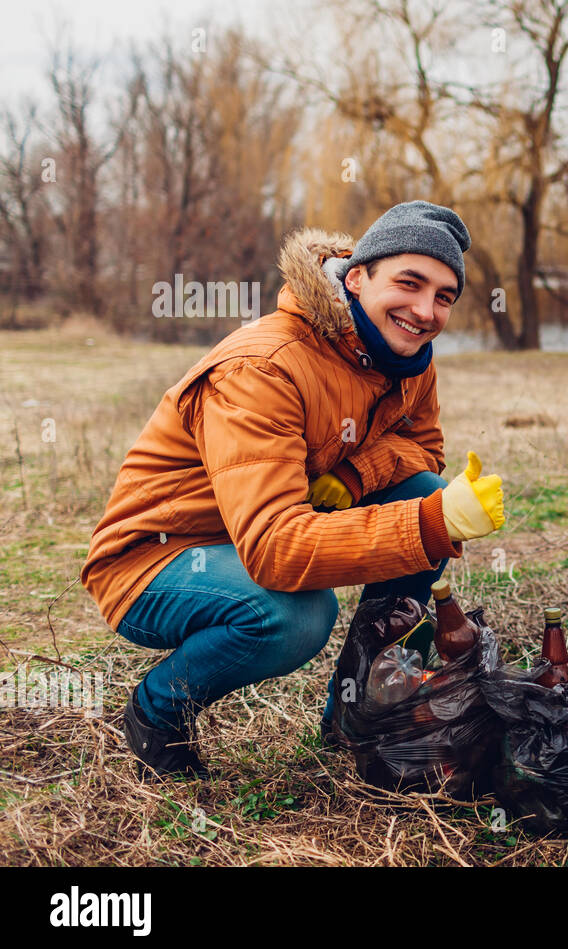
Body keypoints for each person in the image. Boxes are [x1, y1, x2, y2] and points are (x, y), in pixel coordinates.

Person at [80, 201, 505, 781]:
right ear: (357, 276)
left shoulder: (406, 358)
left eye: (444, 296)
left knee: (424, 490)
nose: (425, 311)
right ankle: (156, 712)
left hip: (262, 526)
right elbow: (275, 549)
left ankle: (360, 710)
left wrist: (355, 477)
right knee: (296, 615)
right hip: (158, 558)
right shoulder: (264, 366)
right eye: (409, 283)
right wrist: (430, 524)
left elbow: (423, 453)